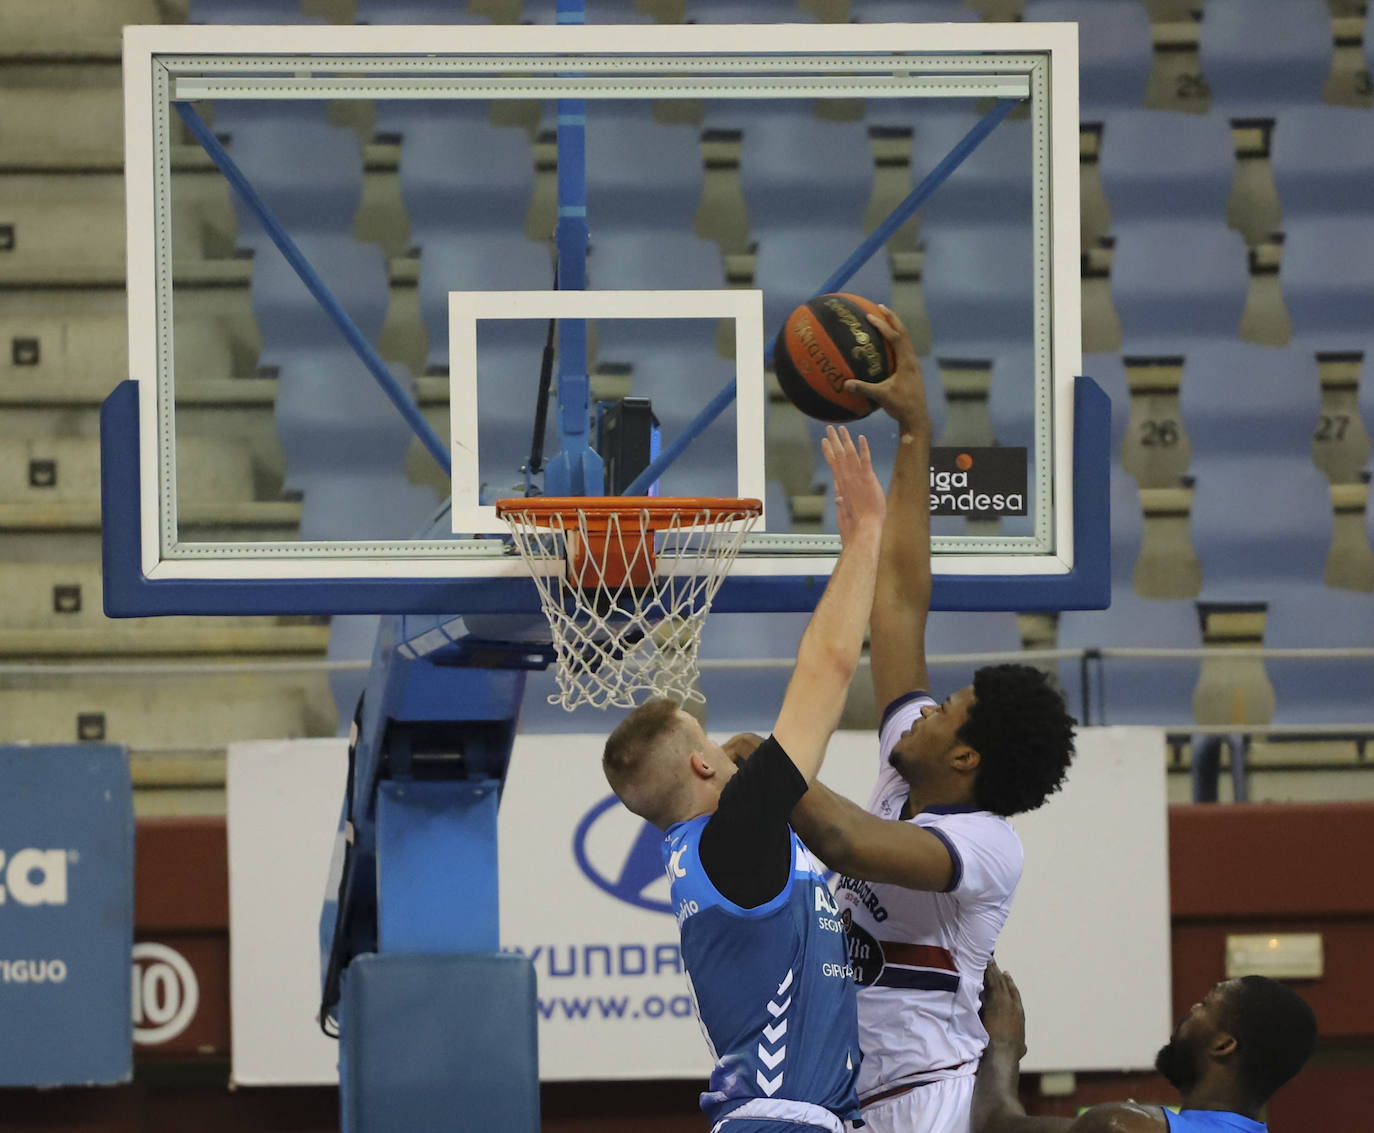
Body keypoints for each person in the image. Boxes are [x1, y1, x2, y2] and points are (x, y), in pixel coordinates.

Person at [732, 306, 1078, 1133]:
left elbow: (846, 841)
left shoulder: (989, 846)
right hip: (850, 1098)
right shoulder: (907, 762)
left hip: (937, 1100)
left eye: (948, 711)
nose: (925, 706)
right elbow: (901, 604)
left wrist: (768, 762)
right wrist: (916, 436)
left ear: (964, 758)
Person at [602, 425, 887, 1133]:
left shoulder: (715, 855)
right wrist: (866, 538)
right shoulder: (737, 841)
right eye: (713, 745)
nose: (730, 750)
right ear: (704, 765)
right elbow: (827, 668)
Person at [970, 964, 1318, 1132]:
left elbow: (995, 1126)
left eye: (1205, 1004)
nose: (1190, 1012)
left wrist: (1005, 1044)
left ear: (1224, 1044)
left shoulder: (1125, 1126)